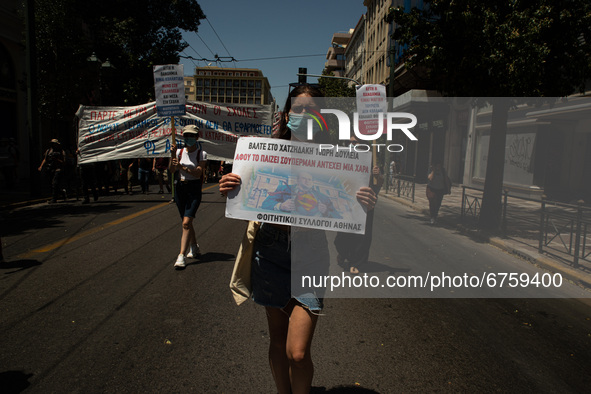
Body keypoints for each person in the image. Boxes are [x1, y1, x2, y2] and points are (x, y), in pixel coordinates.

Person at [219, 84, 377, 394]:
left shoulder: (335, 160)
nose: (305, 115)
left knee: (299, 352)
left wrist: (364, 200)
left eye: (313, 110)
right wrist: (231, 185)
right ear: (287, 114)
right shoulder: (262, 154)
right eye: (299, 109)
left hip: (311, 256)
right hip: (270, 252)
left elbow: (347, 202)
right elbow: (247, 192)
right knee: (278, 341)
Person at [334, 141, 384, 274]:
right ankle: (343, 253)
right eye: (350, 142)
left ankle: (355, 262)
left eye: (355, 142)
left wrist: (377, 175)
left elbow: (378, 184)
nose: (352, 144)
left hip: (364, 205)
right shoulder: (344, 159)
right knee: (343, 234)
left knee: (361, 236)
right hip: (346, 204)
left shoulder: (370, 163)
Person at [170, 124, 207, 269]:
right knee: (186, 221)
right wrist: (173, 156)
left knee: (186, 223)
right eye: (186, 136)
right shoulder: (178, 152)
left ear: (197, 137)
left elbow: (198, 173)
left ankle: (181, 256)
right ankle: (194, 246)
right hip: (180, 188)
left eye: (192, 136)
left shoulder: (201, 154)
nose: (189, 138)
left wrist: (182, 167)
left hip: (194, 190)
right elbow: (172, 169)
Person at [261, 171, 341, 218]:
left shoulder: (323, 197)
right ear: (297, 180)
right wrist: (281, 206)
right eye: (304, 178)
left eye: (310, 179)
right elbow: (265, 204)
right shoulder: (283, 189)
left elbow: (337, 216)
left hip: (312, 235)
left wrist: (326, 211)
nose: (307, 181)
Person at [38, 139, 66, 203]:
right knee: (52, 184)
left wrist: (57, 159)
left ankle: (54, 199)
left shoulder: (61, 152)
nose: (53, 145)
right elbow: (45, 159)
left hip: (58, 169)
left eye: (54, 144)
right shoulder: (48, 151)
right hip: (50, 169)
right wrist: (41, 166)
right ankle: (61, 192)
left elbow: (64, 162)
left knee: (55, 183)